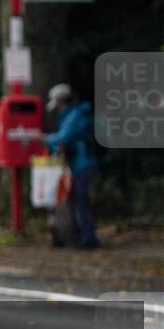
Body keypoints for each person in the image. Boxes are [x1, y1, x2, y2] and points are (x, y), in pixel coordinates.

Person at [43, 83, 99, 249]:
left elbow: (63, 139)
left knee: (81, 200)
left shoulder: (75, 116)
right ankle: (81, 236)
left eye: (57, 105)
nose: (57, 109)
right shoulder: (72, 115)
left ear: (61, 102)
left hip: (83, 164)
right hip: (78, 165)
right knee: (76, 200)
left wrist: (44, 139)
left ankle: (88, 239)